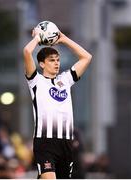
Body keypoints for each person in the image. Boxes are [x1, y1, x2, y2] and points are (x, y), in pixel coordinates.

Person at [23, 27, 92, 179]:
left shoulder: (65, 80)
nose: (56, 63)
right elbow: (27, 52)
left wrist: (64, 39)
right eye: (52, 60)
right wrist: (37, 37)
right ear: (41, 64)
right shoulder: (35, 81)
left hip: (66, 143)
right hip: (45, 142)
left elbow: (87, 57)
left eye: (58, 60)